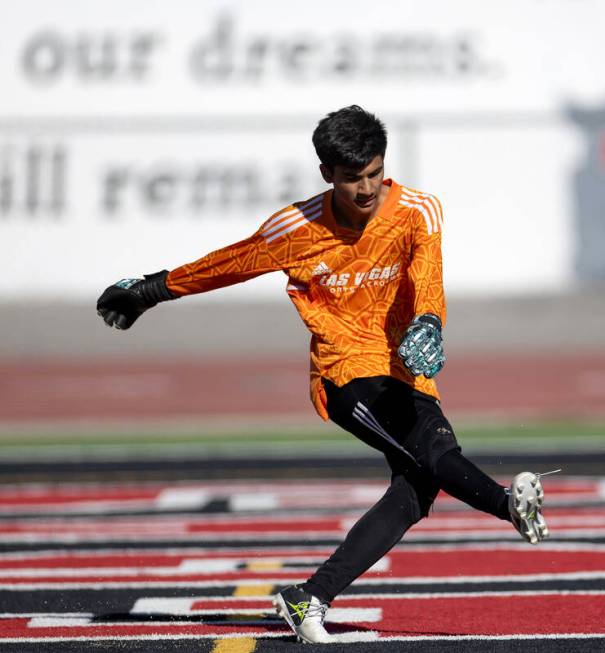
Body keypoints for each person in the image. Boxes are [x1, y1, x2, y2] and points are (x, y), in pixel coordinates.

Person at [96, 105, 551, 644]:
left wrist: (429, 319)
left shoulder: (419, 212)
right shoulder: (296, 228)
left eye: (374, 173)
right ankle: (506, 506)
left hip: (406, 370)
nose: (365, 188)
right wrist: (150, 290)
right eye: (352, 178)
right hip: (345, 374)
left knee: (417, 488)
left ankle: (308, 597)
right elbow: (230, 263)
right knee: (432, 456)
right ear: (327, 174)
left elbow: (428, 273)